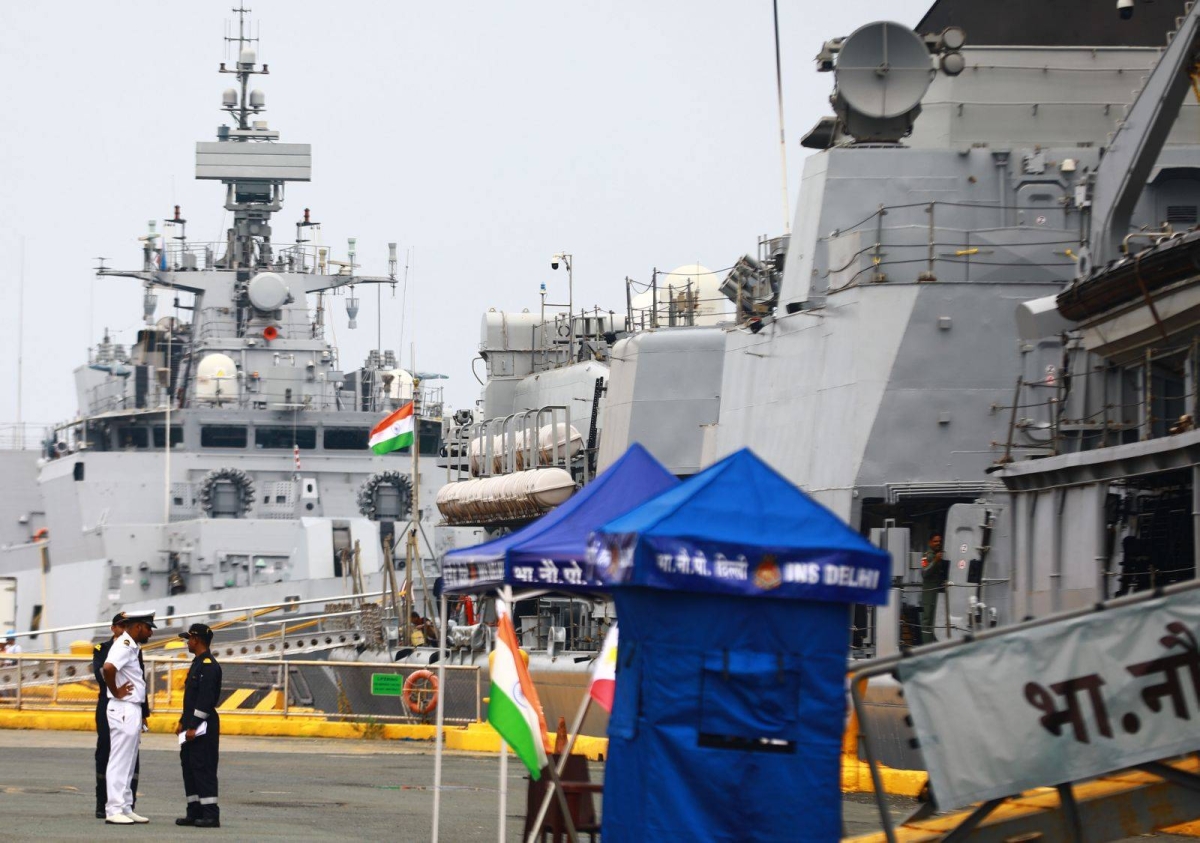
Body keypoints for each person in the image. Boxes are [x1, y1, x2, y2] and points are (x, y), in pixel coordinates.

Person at [101, 610, 155, 825]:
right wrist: (115, 691)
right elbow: (107, 668)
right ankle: (113, 809)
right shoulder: (123, 645)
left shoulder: (132, 646)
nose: (150, 633)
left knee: (129, 760)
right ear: (138, 626)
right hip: (122, 707)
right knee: (120, 760)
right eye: (148, 628)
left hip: (131, 708)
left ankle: (125, 806)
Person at [175, 623, 223, 829]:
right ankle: (194, 811)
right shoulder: (197, 663)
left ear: (197, 640)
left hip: (203, 727)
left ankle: (210, 814)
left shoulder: (209, 666)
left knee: (203, 769)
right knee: (190, 768)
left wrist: (194, 725)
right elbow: (191, 700)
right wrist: (182, 722)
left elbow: (205, 701)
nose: (187, 642)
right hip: (190, 726)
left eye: (189, 639)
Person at [919, 536, 947, 644]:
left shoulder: (942, 555)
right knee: (928, 619)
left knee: (938, 618)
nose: (938, 543)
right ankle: (927, 645)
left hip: (940, 592)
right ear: (930, 542)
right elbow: (924, 573)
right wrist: (935, 561)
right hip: (929, 592)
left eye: (939, 541)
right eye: (935, 541)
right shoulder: (926, 557)